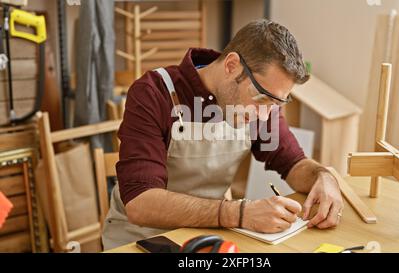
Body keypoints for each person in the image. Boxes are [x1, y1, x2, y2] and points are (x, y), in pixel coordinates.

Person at [102, 19, 344, 250]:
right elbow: (140, 203)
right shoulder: (153, 93)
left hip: (207, 235)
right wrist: (239, 213)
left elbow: (293, 163)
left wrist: (323, 176)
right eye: (262, 98)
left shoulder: (263, 108)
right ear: (231, 66)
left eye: (276, 103)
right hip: (140, 238)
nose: (264, 115)